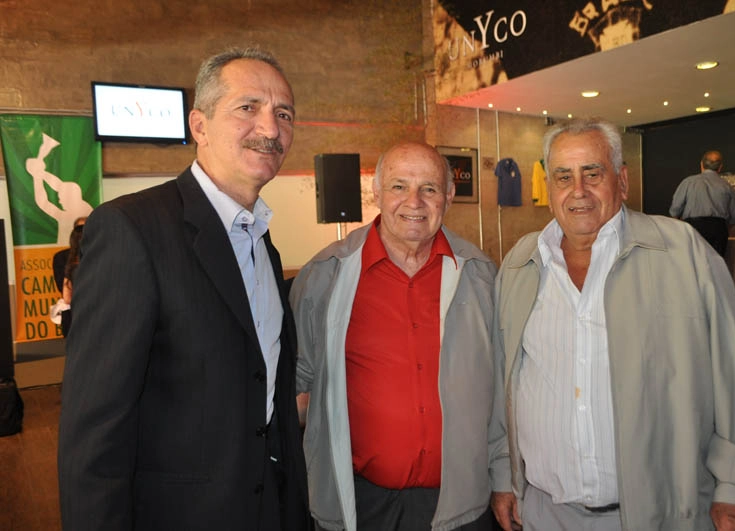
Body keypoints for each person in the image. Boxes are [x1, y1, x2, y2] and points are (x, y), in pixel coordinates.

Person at [58, 47, 311, 531]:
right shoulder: (132, 230)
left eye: (284, 114)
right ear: (199, 126)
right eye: (248, 108)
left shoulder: (261, 242)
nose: (271, 129)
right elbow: (94, 435)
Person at [492, 118, 735, 531]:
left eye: (592, 173)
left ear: (622, 181)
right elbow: (505, 382)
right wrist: (504, 471)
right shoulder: (520, 265)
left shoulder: (684, 255)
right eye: (563, 176)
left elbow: (733, 376)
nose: (577, 190)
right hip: (544, 513)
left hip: (657, 515)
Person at [290, 141, 511, 531]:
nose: (415, 201)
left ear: (448, 195)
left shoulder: (480, 275)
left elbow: (502, 392)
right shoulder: (325, 276)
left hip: (462, 504)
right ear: (376, 192)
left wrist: (505, 477)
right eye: (398, 186)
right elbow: (292, 386)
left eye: (429, 188)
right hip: (362, 504)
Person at [669, 150, 735, 255]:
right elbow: (733, 218)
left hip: (693, 228)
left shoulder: (688, 182)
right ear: (720, 167)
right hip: (718, 230)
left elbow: (674, 211)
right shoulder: (727, 186)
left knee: (693, 266)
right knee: (716, 267)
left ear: (701, 164)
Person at [52, 217, 87, 295]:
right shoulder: (61, 257)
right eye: (79, 230)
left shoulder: (100, 255)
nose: (82, 234)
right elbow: (62, 288)